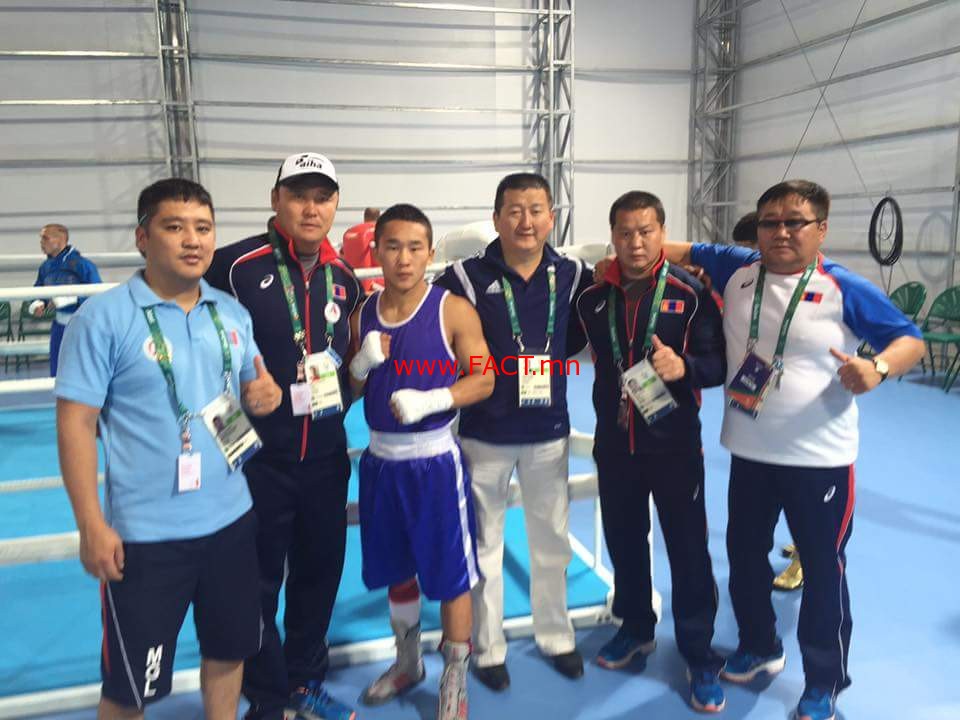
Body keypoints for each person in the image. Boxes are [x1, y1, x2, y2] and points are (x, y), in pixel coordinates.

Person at [665, 179, 925, 720]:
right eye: (770, 222)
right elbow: (665, 247)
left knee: (824, 572)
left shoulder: (843, 286)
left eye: (794, 222)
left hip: (819, 460)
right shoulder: (736, 268)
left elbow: (910, 340)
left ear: (821, 229)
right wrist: (611, 262)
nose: (780, 232)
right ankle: (760, 646)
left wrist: (877, 368)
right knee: (743, 559)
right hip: (749, 453)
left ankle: (824, 680)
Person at [55, 178, 283, 720]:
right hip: (145, 537)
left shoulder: (231, 312)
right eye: (174, 227)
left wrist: (265, 394)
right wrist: (90, 524)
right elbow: (75, 424)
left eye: (203, 228)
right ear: (143, 237)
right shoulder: (103, 318)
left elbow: (252, 386)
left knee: (229, 651)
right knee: (131, 686)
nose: (192, 240)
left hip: (231, 521)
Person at [205, 152, 362, 720]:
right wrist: (231, 433)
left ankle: (304, 683)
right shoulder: (232, 267)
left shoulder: (345, 280)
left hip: (325, 458)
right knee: (255, 583)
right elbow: (193, 349)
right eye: (299, 195)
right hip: (255, 462)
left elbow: (346, 371)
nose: (311, 208)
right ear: (276, 200)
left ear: (335, 204)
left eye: (322, 197)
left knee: (319, 577)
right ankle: (267, 696)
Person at [432, 172, 593, 690]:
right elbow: (433, 332)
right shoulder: (463, 276)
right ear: (497, 217)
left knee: (552, 540)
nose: (526, 221)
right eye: (515, 210)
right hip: (483, 432)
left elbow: (595, 327)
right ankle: (487, 645)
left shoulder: (573, 273)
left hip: (548, 429)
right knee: (485, 546)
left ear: (551, 217)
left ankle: (557, 635)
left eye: (536, 209)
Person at [576, 191, 727, 712]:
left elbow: (719, 362)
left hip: (674, 446)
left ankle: (699, 652)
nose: (635, 243)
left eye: (646, 231)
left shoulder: (691, 292)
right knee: (624, 541)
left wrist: (686, 369)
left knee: (687, 550)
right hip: (615, 444)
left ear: (662, 232)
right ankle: (636, 627)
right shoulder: (592, 297)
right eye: (625, 233)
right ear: (613, 236)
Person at [347, 203, 494, 720]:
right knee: (396, 568)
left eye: (414, 248)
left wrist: (433, 399)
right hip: (379, 464)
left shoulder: (452, 310)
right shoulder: (362, 315)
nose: (404, 258)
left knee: (451, 575)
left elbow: (484, 378)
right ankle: (407, 661)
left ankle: (455, 676)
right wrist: (361, 363)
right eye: (393, 246)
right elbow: (350, 389)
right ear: (377, 250)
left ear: (430, 253)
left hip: (434, 464)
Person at [30, 223, 102, 375]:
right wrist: (37, 303)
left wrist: (68, 299)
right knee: (57, 372)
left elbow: (97, 294)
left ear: (59, 240)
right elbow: (38, 290)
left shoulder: (83, 265)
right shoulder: (45, 267)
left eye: (45, 238)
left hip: (82, 326)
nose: (41, 243)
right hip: (58, 326)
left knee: (84, 372)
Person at [341, 207, 382, 294]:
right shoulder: (380, 232)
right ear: (379, 217)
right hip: (372, 283)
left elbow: (341, 254)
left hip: (352, 282)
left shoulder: (351, 232)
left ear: (365, 217)